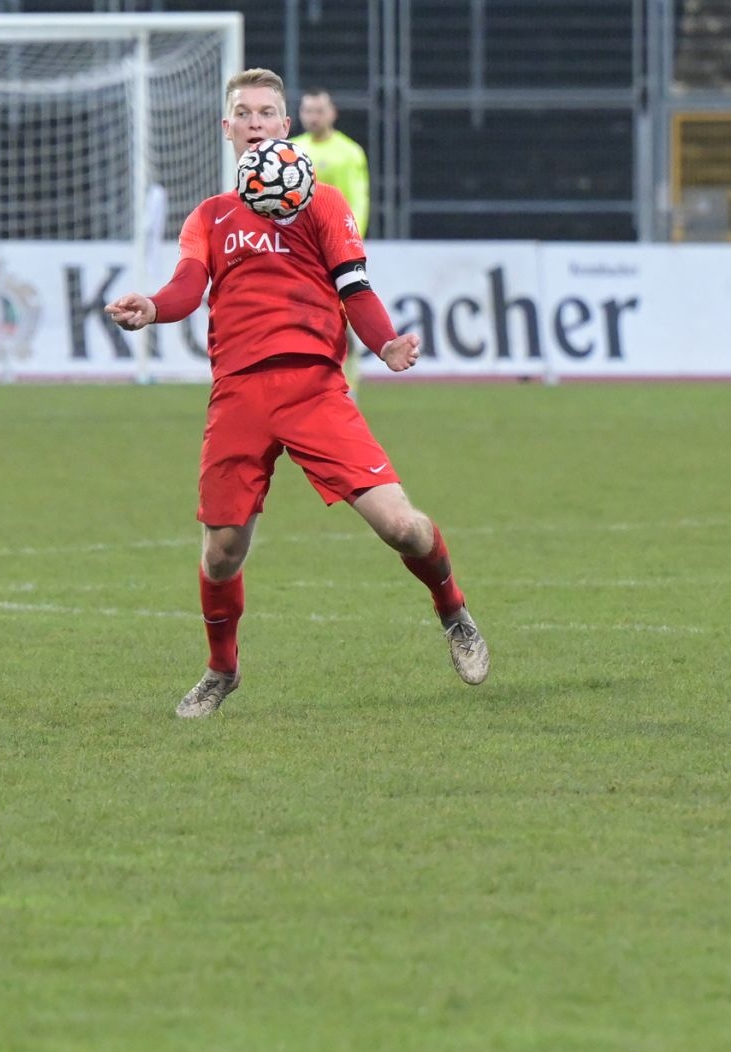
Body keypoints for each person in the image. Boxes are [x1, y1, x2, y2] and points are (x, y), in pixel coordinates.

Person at [104, 68, 488, 718]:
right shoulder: (212, 216)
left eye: (267, 112)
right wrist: (153, 306)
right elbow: (188, 289)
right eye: (243, 112)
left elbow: (355, 290)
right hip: (239, 396)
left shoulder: (325, 205)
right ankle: (221, 671)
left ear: (287, 127)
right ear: (227, 128)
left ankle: (453, 611)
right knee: (221, 554)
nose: (255, 122)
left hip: (314, 390)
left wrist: (386, 343)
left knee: (401, 526)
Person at [291, 89, 374, 397]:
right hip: (298, 254)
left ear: (332, 113)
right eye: (308, 111)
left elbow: (357, 202)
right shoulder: (292, 150)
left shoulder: (348, 153)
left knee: (343, 318)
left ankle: (348, 384)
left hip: (336, 252)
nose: (314, 116)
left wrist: (349, 246)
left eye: (319, 110)